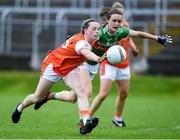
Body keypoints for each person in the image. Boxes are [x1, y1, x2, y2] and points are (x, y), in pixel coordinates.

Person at [33, 6, 172, 127]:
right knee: (86, 93)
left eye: (120, 21)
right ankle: (84, 124)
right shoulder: (100, 32)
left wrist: (157, 38)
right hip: (83, 62)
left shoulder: (121, 32)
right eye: (114, 21)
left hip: (95, 65)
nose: (117, 23)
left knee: (73, 97)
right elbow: (84, 39)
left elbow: (138, 34)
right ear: (108, 21)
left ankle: (49, 96)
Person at [11, 18, 106, 135]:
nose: (97, 31)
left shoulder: (89, 41)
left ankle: (86, 122)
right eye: (94, 28)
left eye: (99, 29)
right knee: (37, 97)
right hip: (54, 66)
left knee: (81, 92)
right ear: (85, 31)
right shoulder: (81, 42)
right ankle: (20, 107)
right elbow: (86, 52)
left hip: (70, 69)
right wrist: (98, 59)